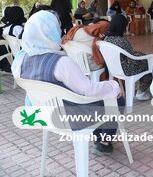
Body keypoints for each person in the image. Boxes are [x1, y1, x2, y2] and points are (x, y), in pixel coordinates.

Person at [11, 11, 123, 153]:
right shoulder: (61, 62)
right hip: (71, 116)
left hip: (43, 114)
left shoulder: (21, 61)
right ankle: (103, 141)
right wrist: (113, 86)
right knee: (117, 99)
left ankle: (99, 137)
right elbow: (88, 89)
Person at [104, 15, 152, 100]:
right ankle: (141, 91)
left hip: (112, 68)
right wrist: (145, 57)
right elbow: (132, 56)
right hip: (126, 69)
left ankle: (136, 88)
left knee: (143, 57)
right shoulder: (122, 41)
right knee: (149, 64)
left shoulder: (106, 39)